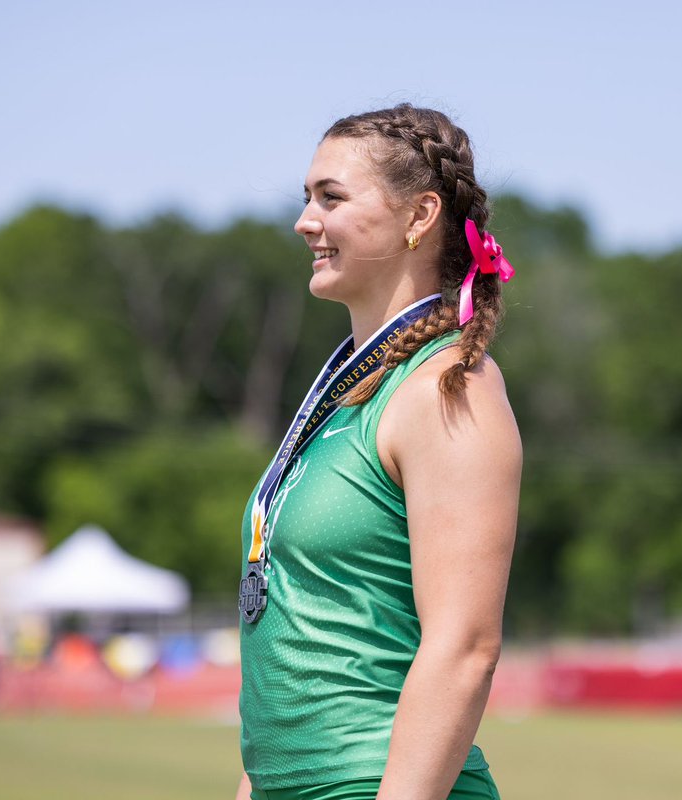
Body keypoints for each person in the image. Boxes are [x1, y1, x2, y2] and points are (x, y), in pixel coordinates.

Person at [236, 103, 522, 800]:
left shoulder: (448, 387)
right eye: (306, 198)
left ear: (419, 217)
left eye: (330, 198)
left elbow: (463, 650)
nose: (306, 222)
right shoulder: (347, 395)